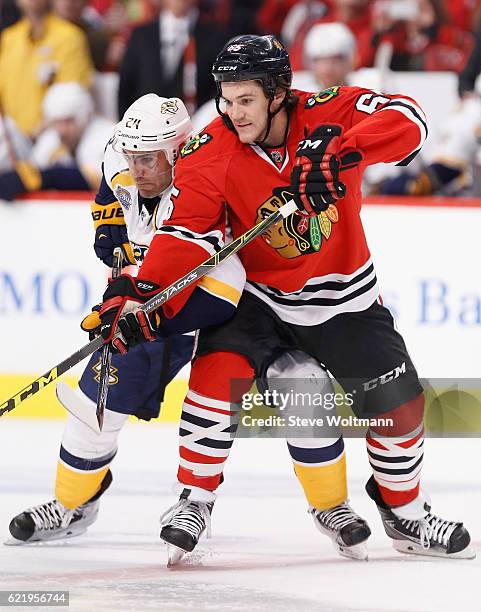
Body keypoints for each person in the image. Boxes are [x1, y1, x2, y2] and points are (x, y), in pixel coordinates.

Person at [94, 35, 475, 560]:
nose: (232, 112)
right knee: (213, 380)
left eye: (245, 99)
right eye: (226, 99)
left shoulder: (328, 110)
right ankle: (194, 497)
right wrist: (138, 295)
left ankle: (404, 512)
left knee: (402, 407)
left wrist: (339, 151)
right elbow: (183, 236)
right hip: (260, 299)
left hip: (344, 299)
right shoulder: (210, 150)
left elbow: (411, 119)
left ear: (278, 92)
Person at [7, 93, 371, 564]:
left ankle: (330, 506)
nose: (138, 169)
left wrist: (152, 316)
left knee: (301, 385)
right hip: (151, 307)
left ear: (179, 152)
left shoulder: (212, 176)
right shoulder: (120, 159)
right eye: (133, 155)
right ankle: (72, 505)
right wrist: (110, 236)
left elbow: (224, 290)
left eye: (149, 158)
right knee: (94, 405)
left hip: (231, 306)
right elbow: (109, 198)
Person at [0, 82, 114, 200]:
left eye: (68, 121)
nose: (61, 130)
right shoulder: (50, 139)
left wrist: (46, 177)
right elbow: (33, 170)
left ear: (85, 117)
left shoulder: (106, 135)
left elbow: (92, 179)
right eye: (56, 122)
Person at [0, 0, 93, 139]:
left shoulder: (69, 36)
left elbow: (72, 101)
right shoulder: (9, 37)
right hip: (10, 140)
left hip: (53, 139)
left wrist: (34, 136)